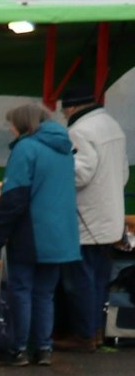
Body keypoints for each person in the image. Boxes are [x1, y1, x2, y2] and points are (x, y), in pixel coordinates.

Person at [0, 101, 81, 366]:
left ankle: (18, 348)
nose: (10, 129)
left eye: (11, 123)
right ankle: (43, 348)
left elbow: (15, 196)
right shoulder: (64, 149)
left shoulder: (25, 148)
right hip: (60, 235)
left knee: (21, 290)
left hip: (30, 233)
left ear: (23, 123)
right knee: (45, 293)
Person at [62, 86, 127, 351]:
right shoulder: (112, 126)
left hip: (87, 219)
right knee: (100, 278)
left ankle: (84, 335)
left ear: (72, 108)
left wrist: (58, 169)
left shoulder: (79, 131)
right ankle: (98, 332)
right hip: (110, 217)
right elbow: (123, 173)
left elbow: (81, 174)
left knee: (79, 280)